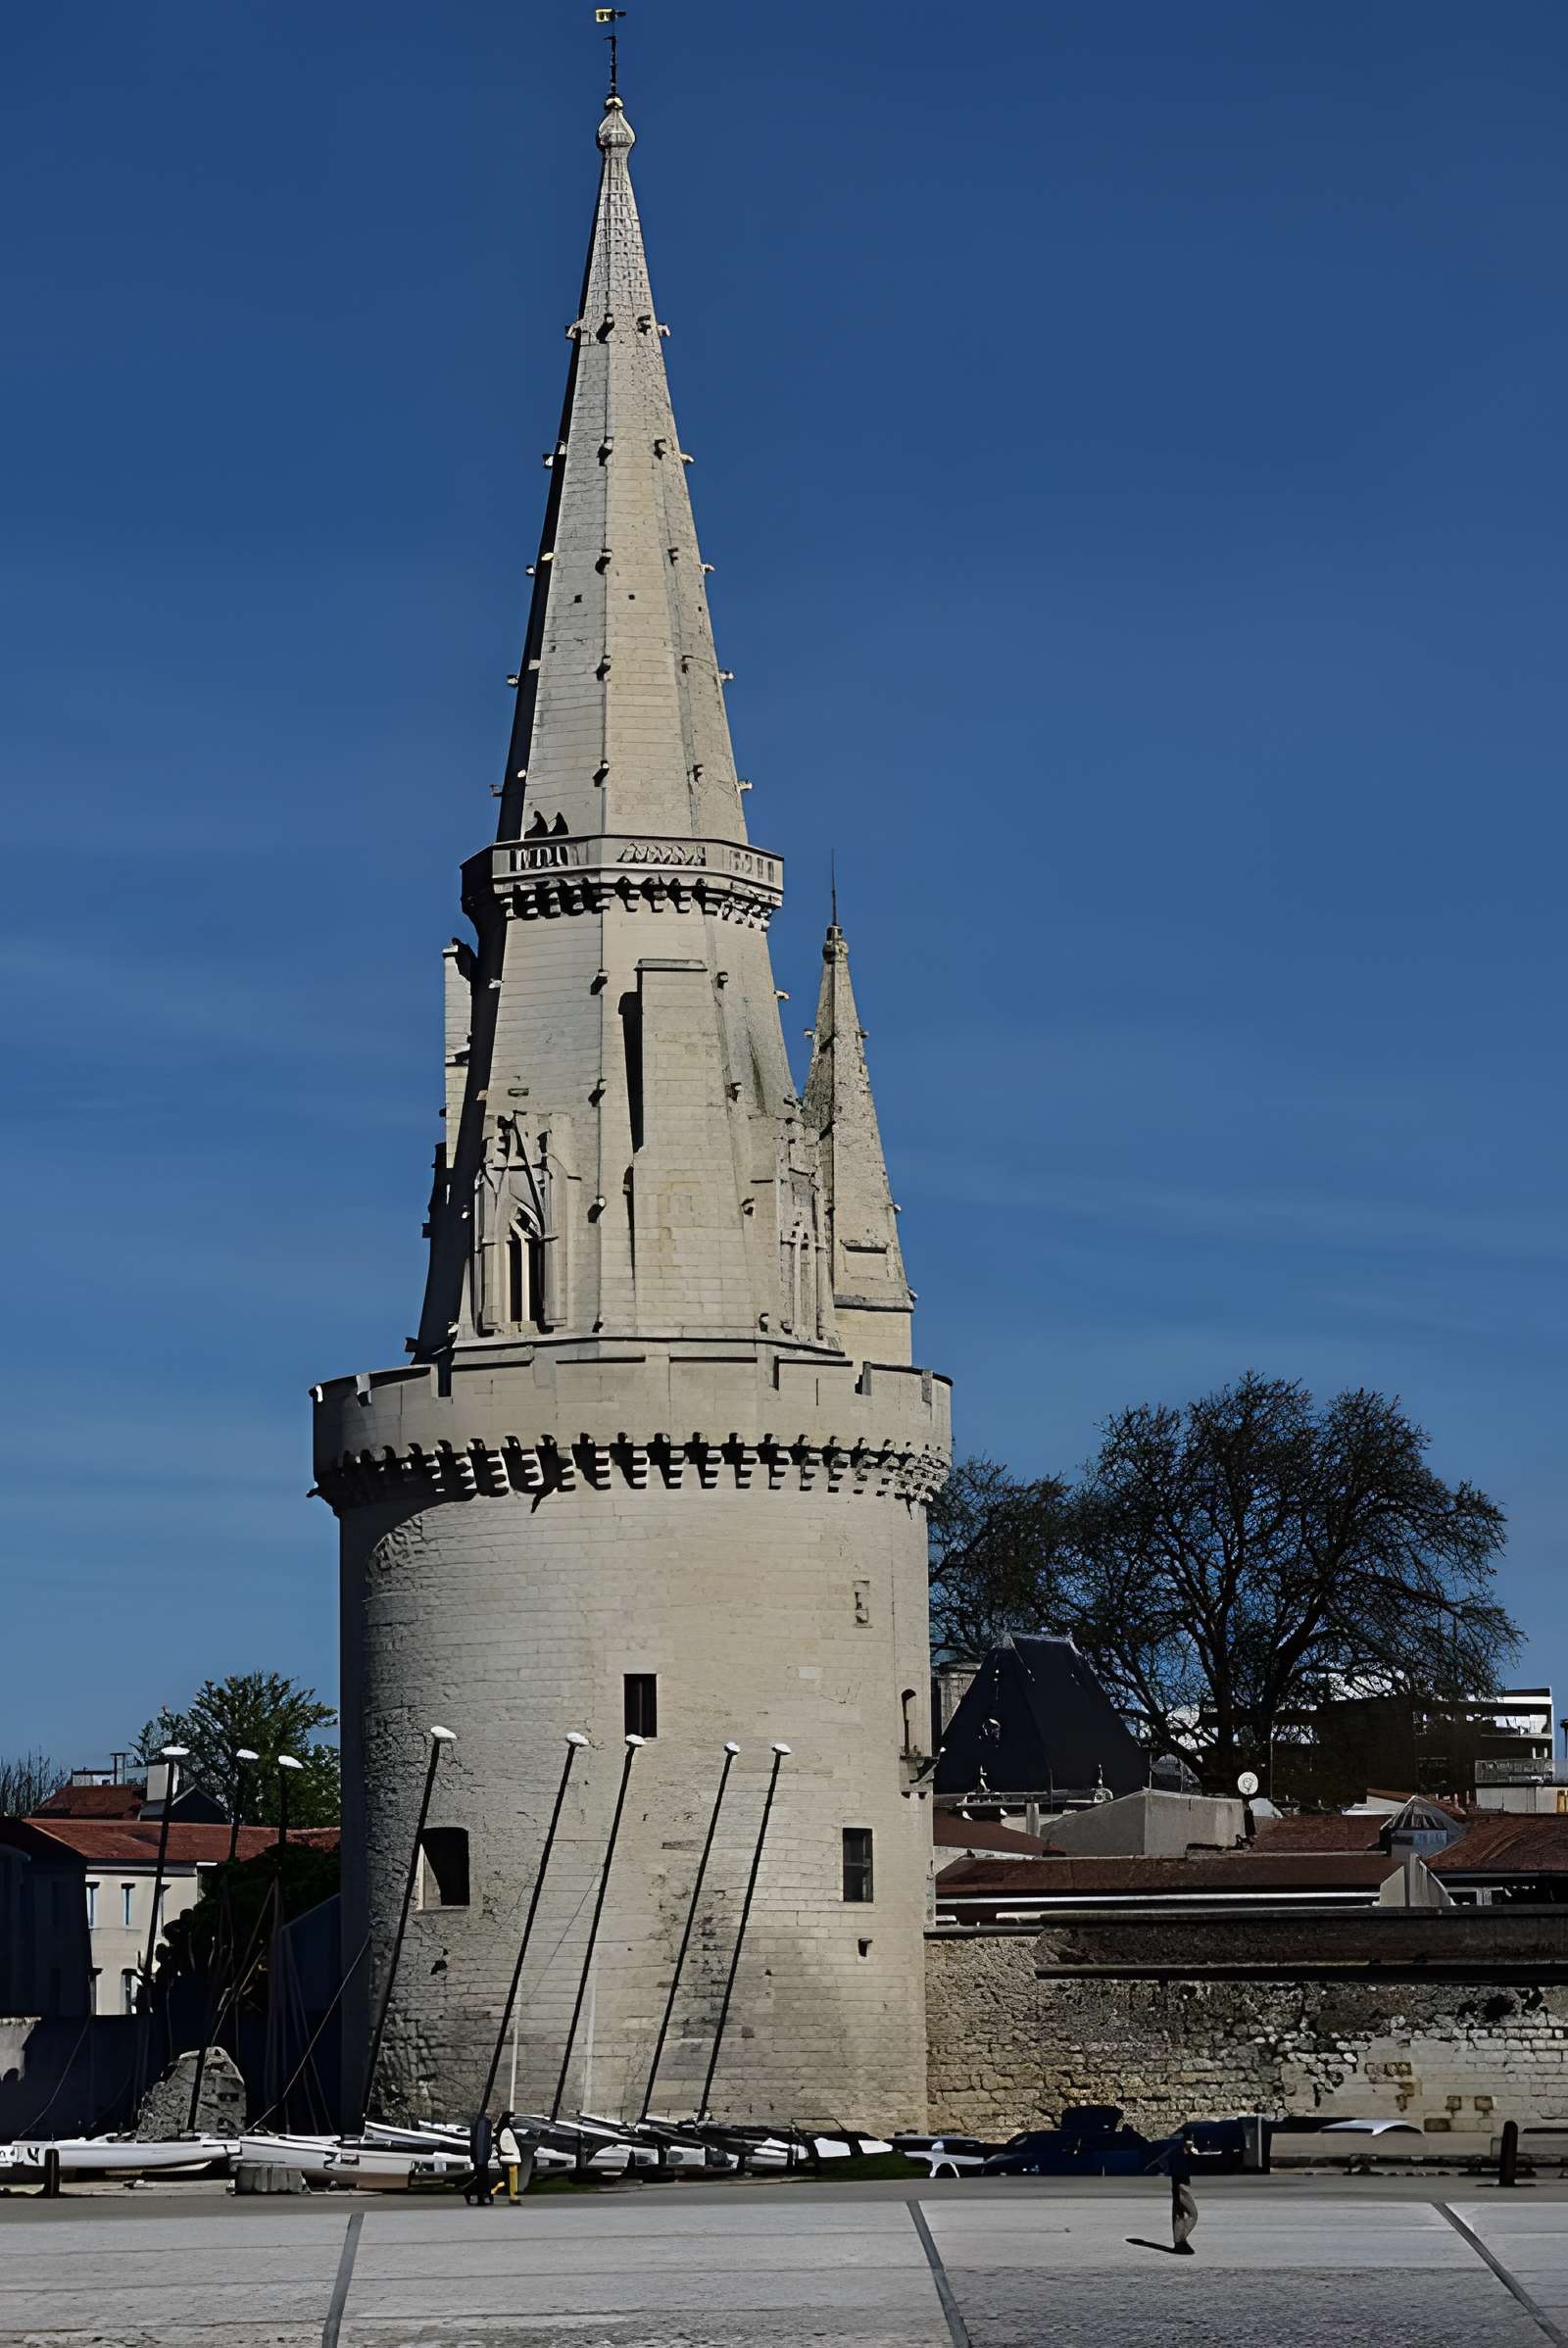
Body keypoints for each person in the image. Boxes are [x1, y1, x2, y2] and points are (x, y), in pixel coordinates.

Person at [494, 2110, 525, 2205]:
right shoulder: (507, 2129)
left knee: (508, 2177)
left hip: (506, 2157)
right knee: (511, 2179)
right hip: (511, 2157)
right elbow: (509, 2144)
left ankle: (510, 2195)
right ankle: (508, 2194)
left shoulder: (501, 2128)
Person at [464, 2109, 494, 2208]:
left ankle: (480, 2196)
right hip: (481, 2157)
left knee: (481, 2177)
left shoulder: (477, 2123)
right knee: (483, 2178)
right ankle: (480, 2196)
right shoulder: (484, 2123)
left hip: (478, 2156)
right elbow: (483, 2141)